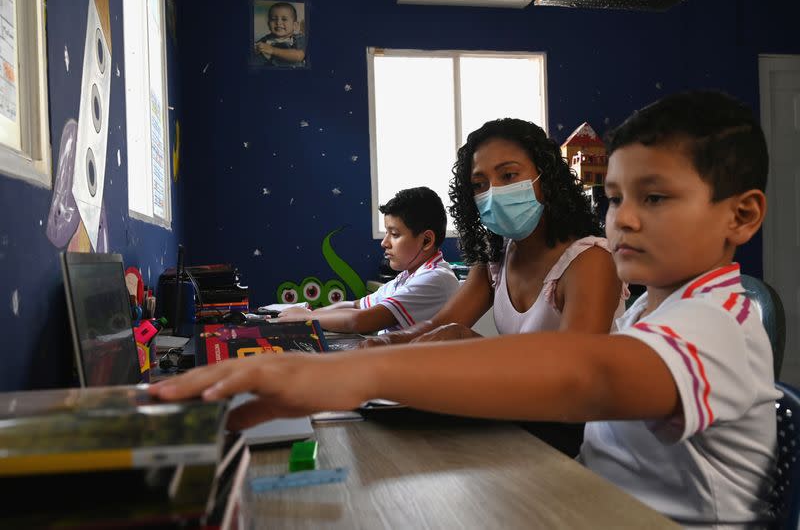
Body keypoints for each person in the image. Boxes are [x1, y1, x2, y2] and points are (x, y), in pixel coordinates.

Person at [151, 90, 778, 527]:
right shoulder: (652, 312)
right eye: (614, 198)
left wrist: (350, 374)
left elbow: (586, 374)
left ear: (741, 215)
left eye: (657, 196)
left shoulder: (720, 321)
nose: (626, 218)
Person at [361, 118, 625, 350]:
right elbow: (440, 325)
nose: (493, 193)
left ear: (546, 180)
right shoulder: (497, 257)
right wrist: (388, 342)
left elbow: (573, 370)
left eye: (508, 175)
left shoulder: (591, 260)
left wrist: (470, 342)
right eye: (479, 184)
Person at [278, 186, 459, 335]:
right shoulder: (406, 277)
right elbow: (356, 305)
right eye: (386, 233)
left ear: (426, 240)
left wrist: (306, 318)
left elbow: (360, 320)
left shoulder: (436, 278)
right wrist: (311, 313)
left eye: (394, 234)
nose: (384, 242)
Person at [254, 2, 306, 68]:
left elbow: (299, 56)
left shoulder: (299, 38)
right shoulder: (265, 40)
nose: (278, 22)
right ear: (268, 24)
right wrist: (257, 49)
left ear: (294, 25)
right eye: (273, 19)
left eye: (284, 19)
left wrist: (272, 50)